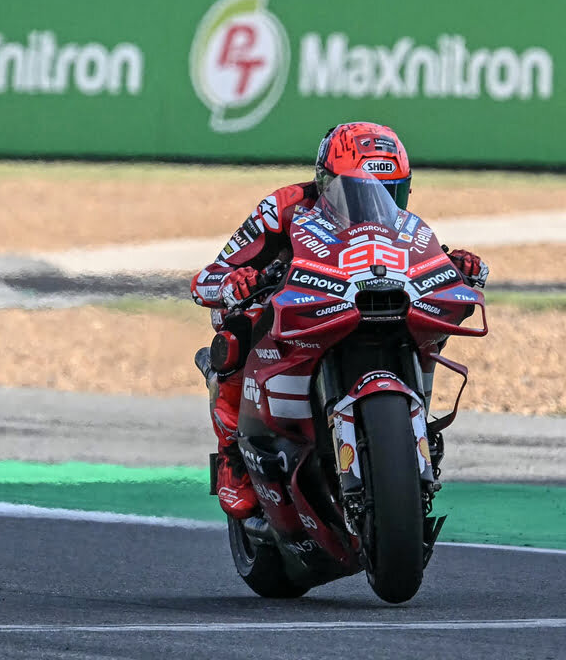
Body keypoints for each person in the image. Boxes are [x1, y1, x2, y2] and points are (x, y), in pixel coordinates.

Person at [190, 122, 489, 519]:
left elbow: (430, 261)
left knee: (430, 318)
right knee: (238, 326)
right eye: (357, 191)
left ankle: (412, 436)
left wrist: (457, 268)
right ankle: (233, 457)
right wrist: (236, 282)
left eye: (391, 192)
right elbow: (206, 278)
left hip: (366, 305)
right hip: (298, 309)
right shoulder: (283, 207)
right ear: (325, 182)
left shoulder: (407, 227)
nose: (376, 202)